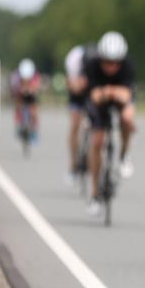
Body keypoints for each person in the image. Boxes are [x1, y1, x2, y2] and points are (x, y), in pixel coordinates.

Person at [84, 31, 137, 216]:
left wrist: (111, 92)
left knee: (128, 118)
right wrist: (110, 92)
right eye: (107, 62)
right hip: (99, 103)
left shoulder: (128, 66)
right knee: (97, 141)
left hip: (117, 99)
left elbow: (127, 95)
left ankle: (124, 155)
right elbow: (94, 96)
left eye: (116, 63)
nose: (111, 67)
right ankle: (94, 193)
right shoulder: (91, 66)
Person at [64, 43, 92, 184]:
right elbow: (71, 85)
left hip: (93, 92)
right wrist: (79, 85)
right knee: (75, 125)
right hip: (77, 95)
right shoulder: (73, 60)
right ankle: (73, 165)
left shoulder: (99, 64)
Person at [10, 58, 41, 141]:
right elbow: (14, 87)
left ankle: (34, 131)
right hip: (20, 94)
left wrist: (32, 89)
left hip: (31, 95)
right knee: (18, 105)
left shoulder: (35, 76)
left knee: (34, 111)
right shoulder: (16, 75)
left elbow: (37, 86)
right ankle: (18, 124)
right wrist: (20, 90)